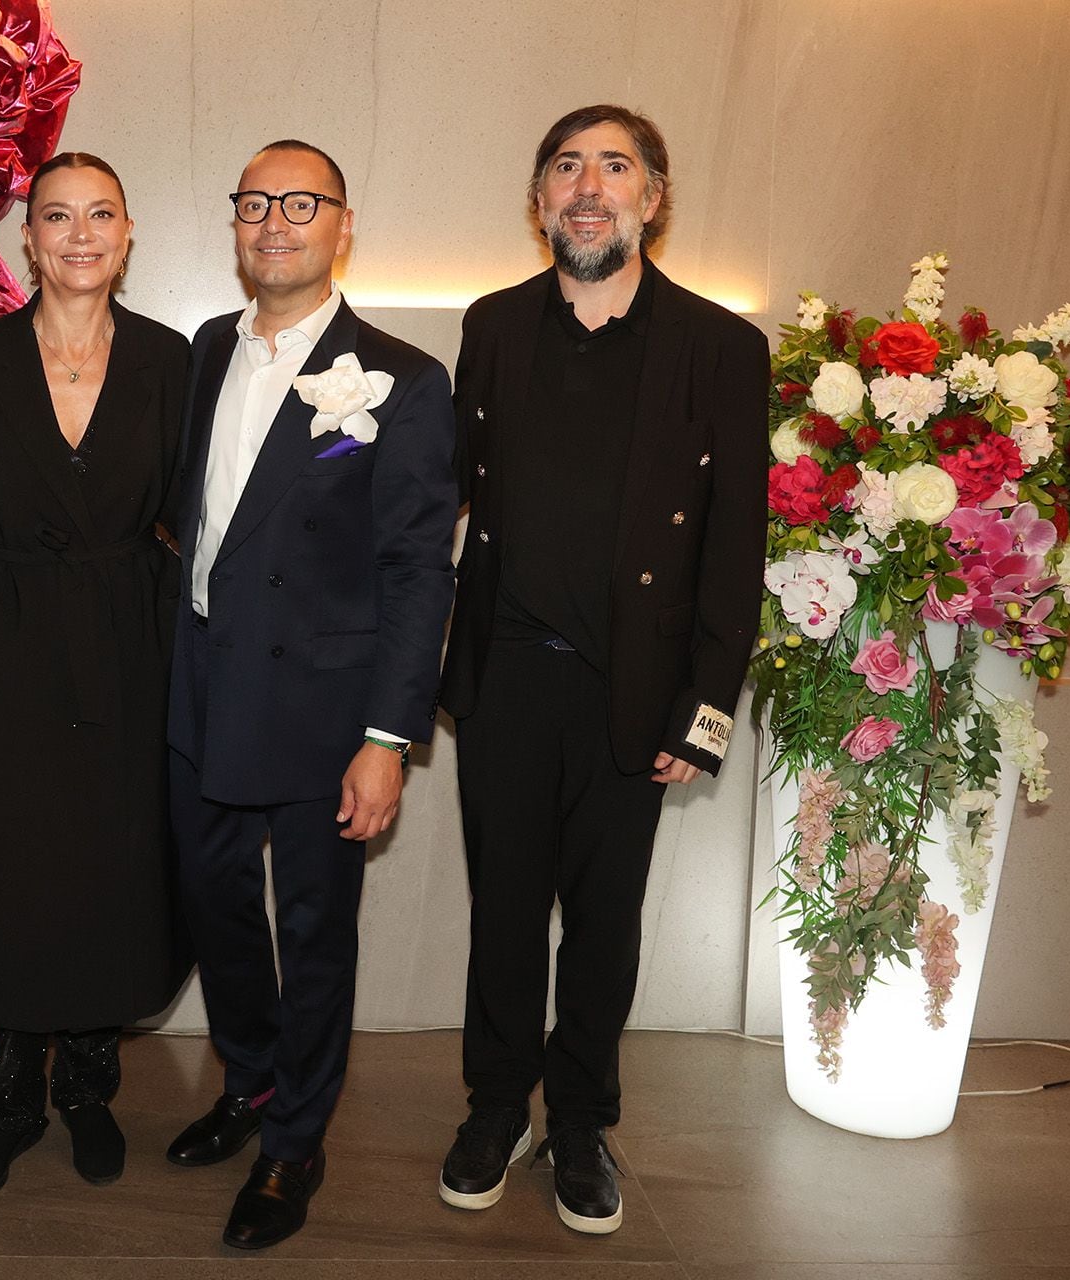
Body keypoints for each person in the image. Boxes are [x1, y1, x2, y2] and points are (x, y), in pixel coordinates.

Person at [436, 105, 768, 1235]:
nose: (590, 186)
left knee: (607, 920)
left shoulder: (722, 348)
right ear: (539, 202)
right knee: (504, 913)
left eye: (615, 167)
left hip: (637, 690)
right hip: (505, 679)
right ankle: (496, 1107)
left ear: (653, 198)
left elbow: (736, 552)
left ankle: (580, 1118)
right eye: (567, 167)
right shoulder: (489, 326)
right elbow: (453, 502)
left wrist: (709, 712)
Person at [164, 140, 459, 1249]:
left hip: (326, 705)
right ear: (235, 224)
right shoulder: (202, 351)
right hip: (198, 683)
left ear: (342, 224)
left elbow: (419, 570)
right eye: (253, 202)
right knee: (211, 897)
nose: (273, 221)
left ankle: (295, 1141)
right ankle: (249, 1079)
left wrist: (389, 734)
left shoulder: (402, 377)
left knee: (317, 927)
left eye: (299, 203)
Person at [0, 152, 190, 1204]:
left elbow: (201, 517)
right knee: (23, 872)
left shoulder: (171, 360)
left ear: (129, 235)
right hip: (9, 644)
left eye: (100, 215)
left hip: (133, 642)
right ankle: (10, 1100)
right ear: (25, 239)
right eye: (57, 217)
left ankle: (86, 1086)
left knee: (115, 869)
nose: (79, 234)